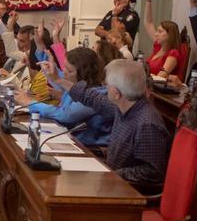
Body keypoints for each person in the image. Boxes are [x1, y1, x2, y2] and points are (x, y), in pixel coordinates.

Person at [45, 58, 170, 193]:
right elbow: (93, 98)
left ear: (116, 94)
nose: (104, 88)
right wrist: (58, 80)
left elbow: (151, 173)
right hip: (112, 181)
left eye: (107, 86)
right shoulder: (124, 104)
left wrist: (109, 174)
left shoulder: (147, 124)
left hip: (128, 193)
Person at [27, 47, 113, 147]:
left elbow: (66, 114)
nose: (64, 72)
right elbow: (58, 78)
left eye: (69, 70)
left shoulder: (96, 95)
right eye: (65, 67)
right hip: (73, 141)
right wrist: (51, 70)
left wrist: (30, 103)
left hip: (90, 149)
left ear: (84, 74)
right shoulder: (75, 83)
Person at [141, 0, 188, 80]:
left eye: (160, 31)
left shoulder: (173, 53)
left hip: (156, 87)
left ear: (170, 35)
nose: (156, 34)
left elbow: (161, 77)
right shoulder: (159, 46)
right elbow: (148, 23)